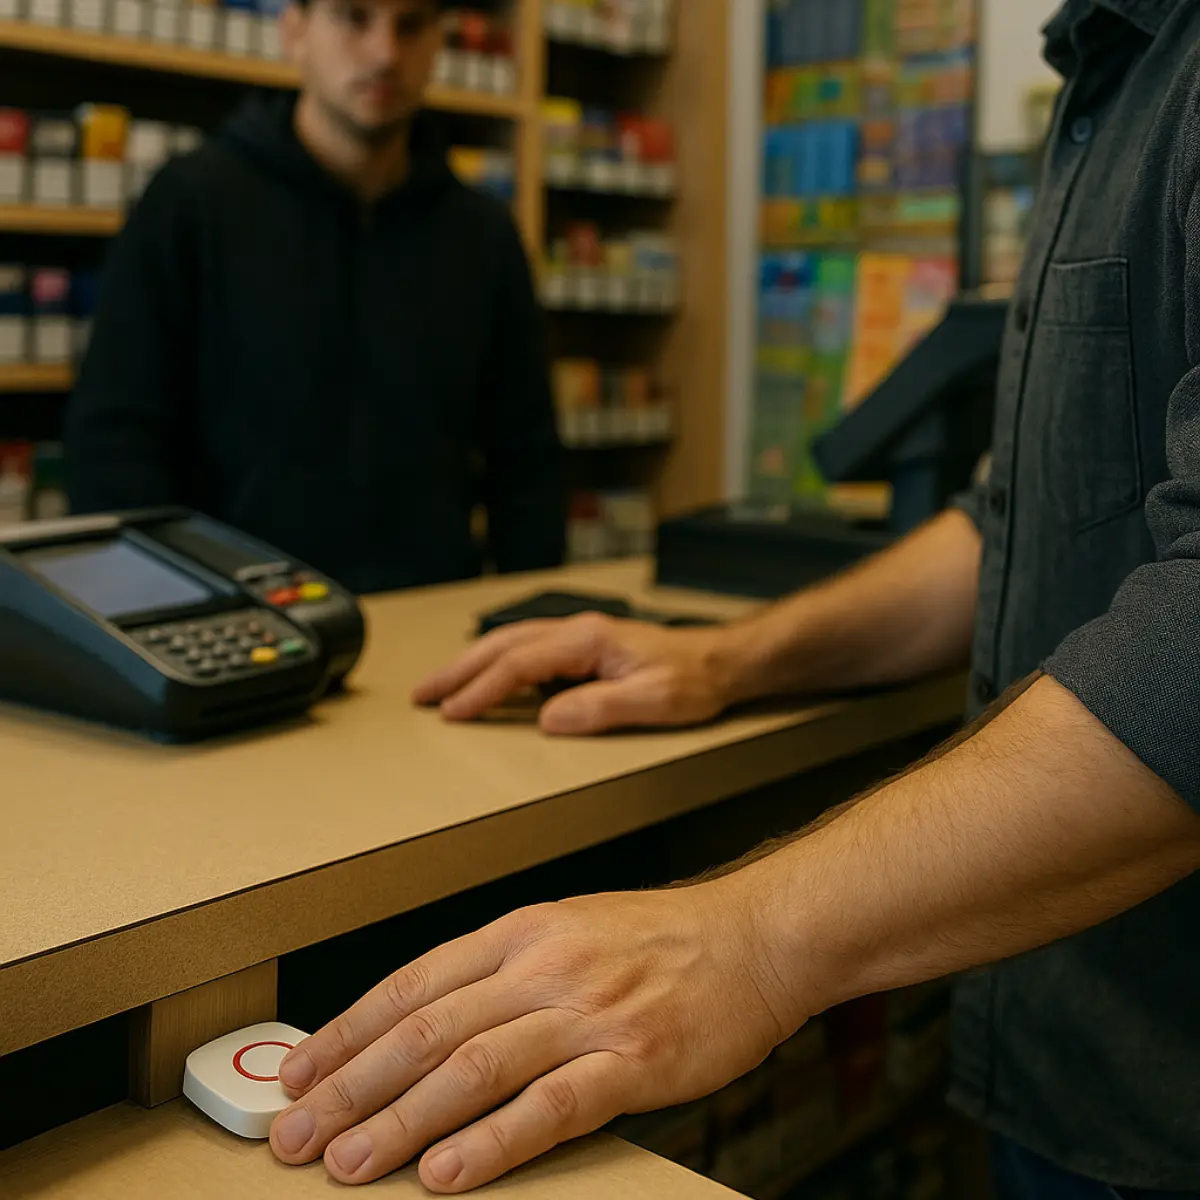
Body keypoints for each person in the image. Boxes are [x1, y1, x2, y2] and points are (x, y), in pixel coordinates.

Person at [266, 0, 1200, 1195]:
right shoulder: (1115, 65)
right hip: (1071, 1046)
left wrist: (747, 936)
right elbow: (1022, 520)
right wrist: (724, 660)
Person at [64, 0, 564, 595]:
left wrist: (535, 616)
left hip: (432, 628)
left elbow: (527, 457)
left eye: (411, 26)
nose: (384, 53)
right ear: (294, 32)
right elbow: (113, 443)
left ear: (439, 44)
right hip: (237, 634)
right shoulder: (189, 206)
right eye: (354, 18)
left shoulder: (482, 235)